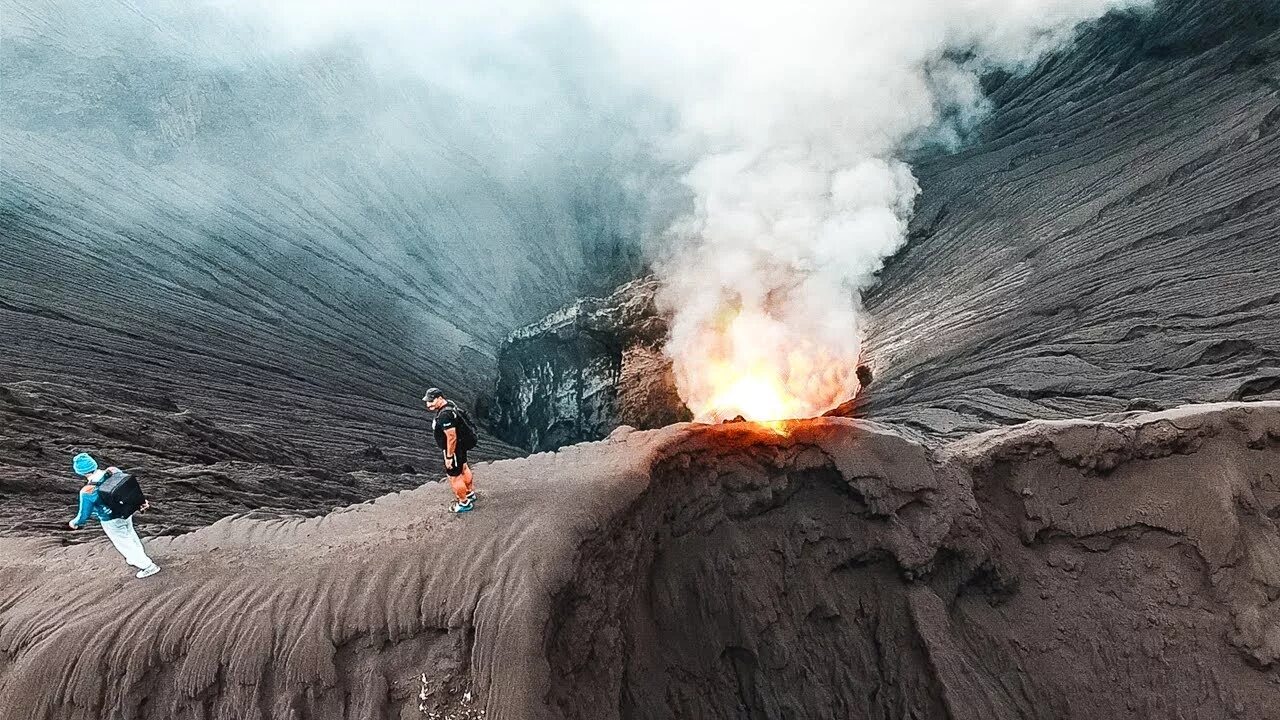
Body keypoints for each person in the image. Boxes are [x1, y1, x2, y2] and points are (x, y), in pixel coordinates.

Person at [68, 453, 160, 579]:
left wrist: (74, 523)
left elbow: (83, 515)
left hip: (110, 520)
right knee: (130, 534)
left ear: (80, 472)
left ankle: (147, 566)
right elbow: (128, 486)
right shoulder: (113, 471)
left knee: (123, 542)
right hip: (126, 511)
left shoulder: (87, 491)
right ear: (94, 464)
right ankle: (137, 557)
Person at [423, 388, 476, 513]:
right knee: (464, 468)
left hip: (453, 449)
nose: (428, 404)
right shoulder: (451, 405)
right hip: (461, 446)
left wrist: (449, 456)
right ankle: (469, 493)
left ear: (440, 398)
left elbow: (451, 437)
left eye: (431, 401)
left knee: (454, 476)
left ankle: (464, 503)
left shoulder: (444, 416)